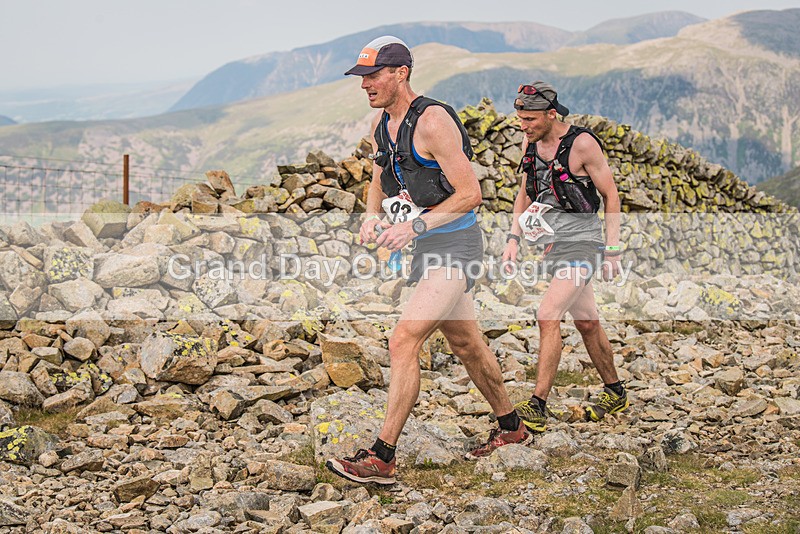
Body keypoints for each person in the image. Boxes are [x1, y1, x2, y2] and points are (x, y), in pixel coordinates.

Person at [325, 36, 530, 485]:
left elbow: (471, 194)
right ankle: (512, 427)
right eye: (361, 77)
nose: (365, 85)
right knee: (466, 344)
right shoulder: (385, 124)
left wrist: (414, 226)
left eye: (373, 75)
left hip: (457, 247)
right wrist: (371, 216)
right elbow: (379, 177)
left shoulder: (433, 121)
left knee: (403, 340)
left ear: (401, 73)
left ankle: (382, 457)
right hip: (429, 247)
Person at [503, 81, 629, 433]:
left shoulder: (582, 144)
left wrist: (613, 250)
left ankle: (538, 404)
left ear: (551, 114)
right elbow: (524, 192)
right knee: (587, 321)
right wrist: (513, 238)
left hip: (584, 243)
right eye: (520, 118)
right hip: (553, 244)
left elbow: (611, 196)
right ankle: (615, 391)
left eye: (529, 119)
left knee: (548, 314)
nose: (523, 125)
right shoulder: (529, 143)